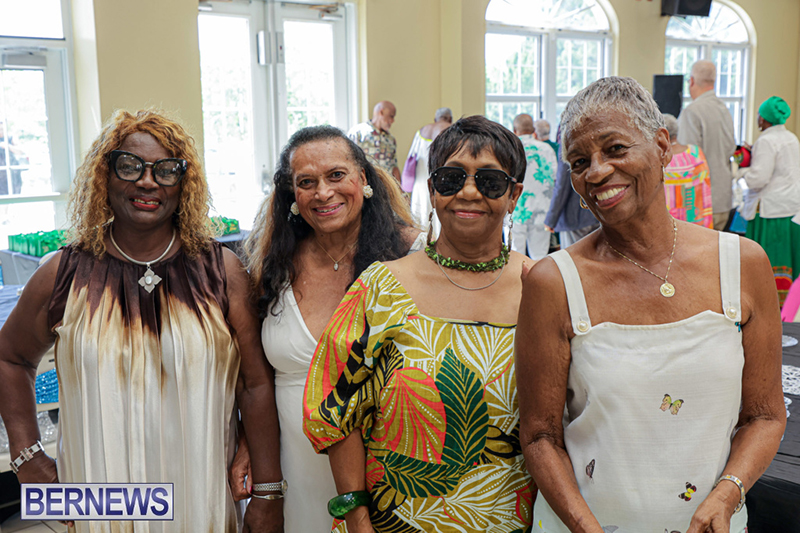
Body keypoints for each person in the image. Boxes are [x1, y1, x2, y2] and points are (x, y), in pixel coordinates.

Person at [518, 77, 785, 533]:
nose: (596, 172)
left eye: (615, 149)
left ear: (662, 146)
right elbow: (540, 435)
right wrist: (585, 527)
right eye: (579, 162)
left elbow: (764, 415)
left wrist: (727, 495)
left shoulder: (741, 264)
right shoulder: (555, 281)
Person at [0, 110, 283, 532]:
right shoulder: (63, 273)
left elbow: (255, 385)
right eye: (130, 166)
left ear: (183, 183)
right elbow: (9, 358)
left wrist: (268, 493)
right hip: (99, 498)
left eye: (166, 170)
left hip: (200, 496)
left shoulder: (221, 271)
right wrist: (27, 459)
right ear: (105, 174)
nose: (148, 181)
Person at [304, 115, 536, 533]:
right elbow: (334, 409)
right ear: (431, 189)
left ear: (514, 194)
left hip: (510, 520)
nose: (469, 192)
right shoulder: (382, 287)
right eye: (451, 179)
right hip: (390, 522)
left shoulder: (540, 287)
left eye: (490, 182)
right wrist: (356, 518)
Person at [242, 125, 422, 532]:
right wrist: (246, 445)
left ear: (363, 178)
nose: (323, 193)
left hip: (388, 473)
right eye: (306, 182)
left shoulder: (413, 254)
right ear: (292, 195)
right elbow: (253, 379)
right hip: (294, 469)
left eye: (336, 175)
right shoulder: (273, 263)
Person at [738, 96, 800, 307]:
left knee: (768, 261)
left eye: (759, 115)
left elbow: (758, 179)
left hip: (771, 211)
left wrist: (742, 172)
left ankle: (766, 303)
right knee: (787, 259)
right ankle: (788, 305)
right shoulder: (791, 137)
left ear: (764, 119)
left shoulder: (766, 141)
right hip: (791, 208)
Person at [678, 60, 736, 231]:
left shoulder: (691, 112)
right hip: (723, 199)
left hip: (701, 204)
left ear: (692, 81)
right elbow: (731, 148)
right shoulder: (724, 109)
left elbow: (686, 160)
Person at [544, 124, 599, 247]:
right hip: (596, 213)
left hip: (574, 217)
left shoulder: (568, 144)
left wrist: (550, 220)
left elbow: (561, 186)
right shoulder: (596, 141)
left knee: (571, 258)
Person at [512, 113, 557, 259]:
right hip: (542, 210)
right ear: (533, 130)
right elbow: (555, 178)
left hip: (516, 210)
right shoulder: (547, 149)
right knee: (540, 258)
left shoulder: (510, 149)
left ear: (514, 130)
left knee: (514, 256)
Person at [404, 107, 452, 228]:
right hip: (442, 183)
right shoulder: (451, 130)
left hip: (421, 184)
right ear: (450, 118)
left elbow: (411, 158)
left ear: (435, 119)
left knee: (421, 219)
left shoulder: (422, 131)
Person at [663, 113, 713, 228]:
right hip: (695, 222)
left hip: (667, 225)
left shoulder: (659, 157)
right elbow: (705, 188)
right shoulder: (695, 153)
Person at [348, 101, 401, 182]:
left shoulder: (390, 139)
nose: (392, 121)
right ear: (381, 112)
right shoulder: (358, 133)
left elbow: (394, 167)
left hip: (385, 186)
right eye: (391, 116)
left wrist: (399, 187)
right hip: (364, 184)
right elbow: (348, 161)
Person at [0, 119, 28, 195]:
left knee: (14, 192)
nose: (1, 131)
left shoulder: (10, 137)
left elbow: (21, 151)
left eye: (2, 129)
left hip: (12, 171)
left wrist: (7, 146)